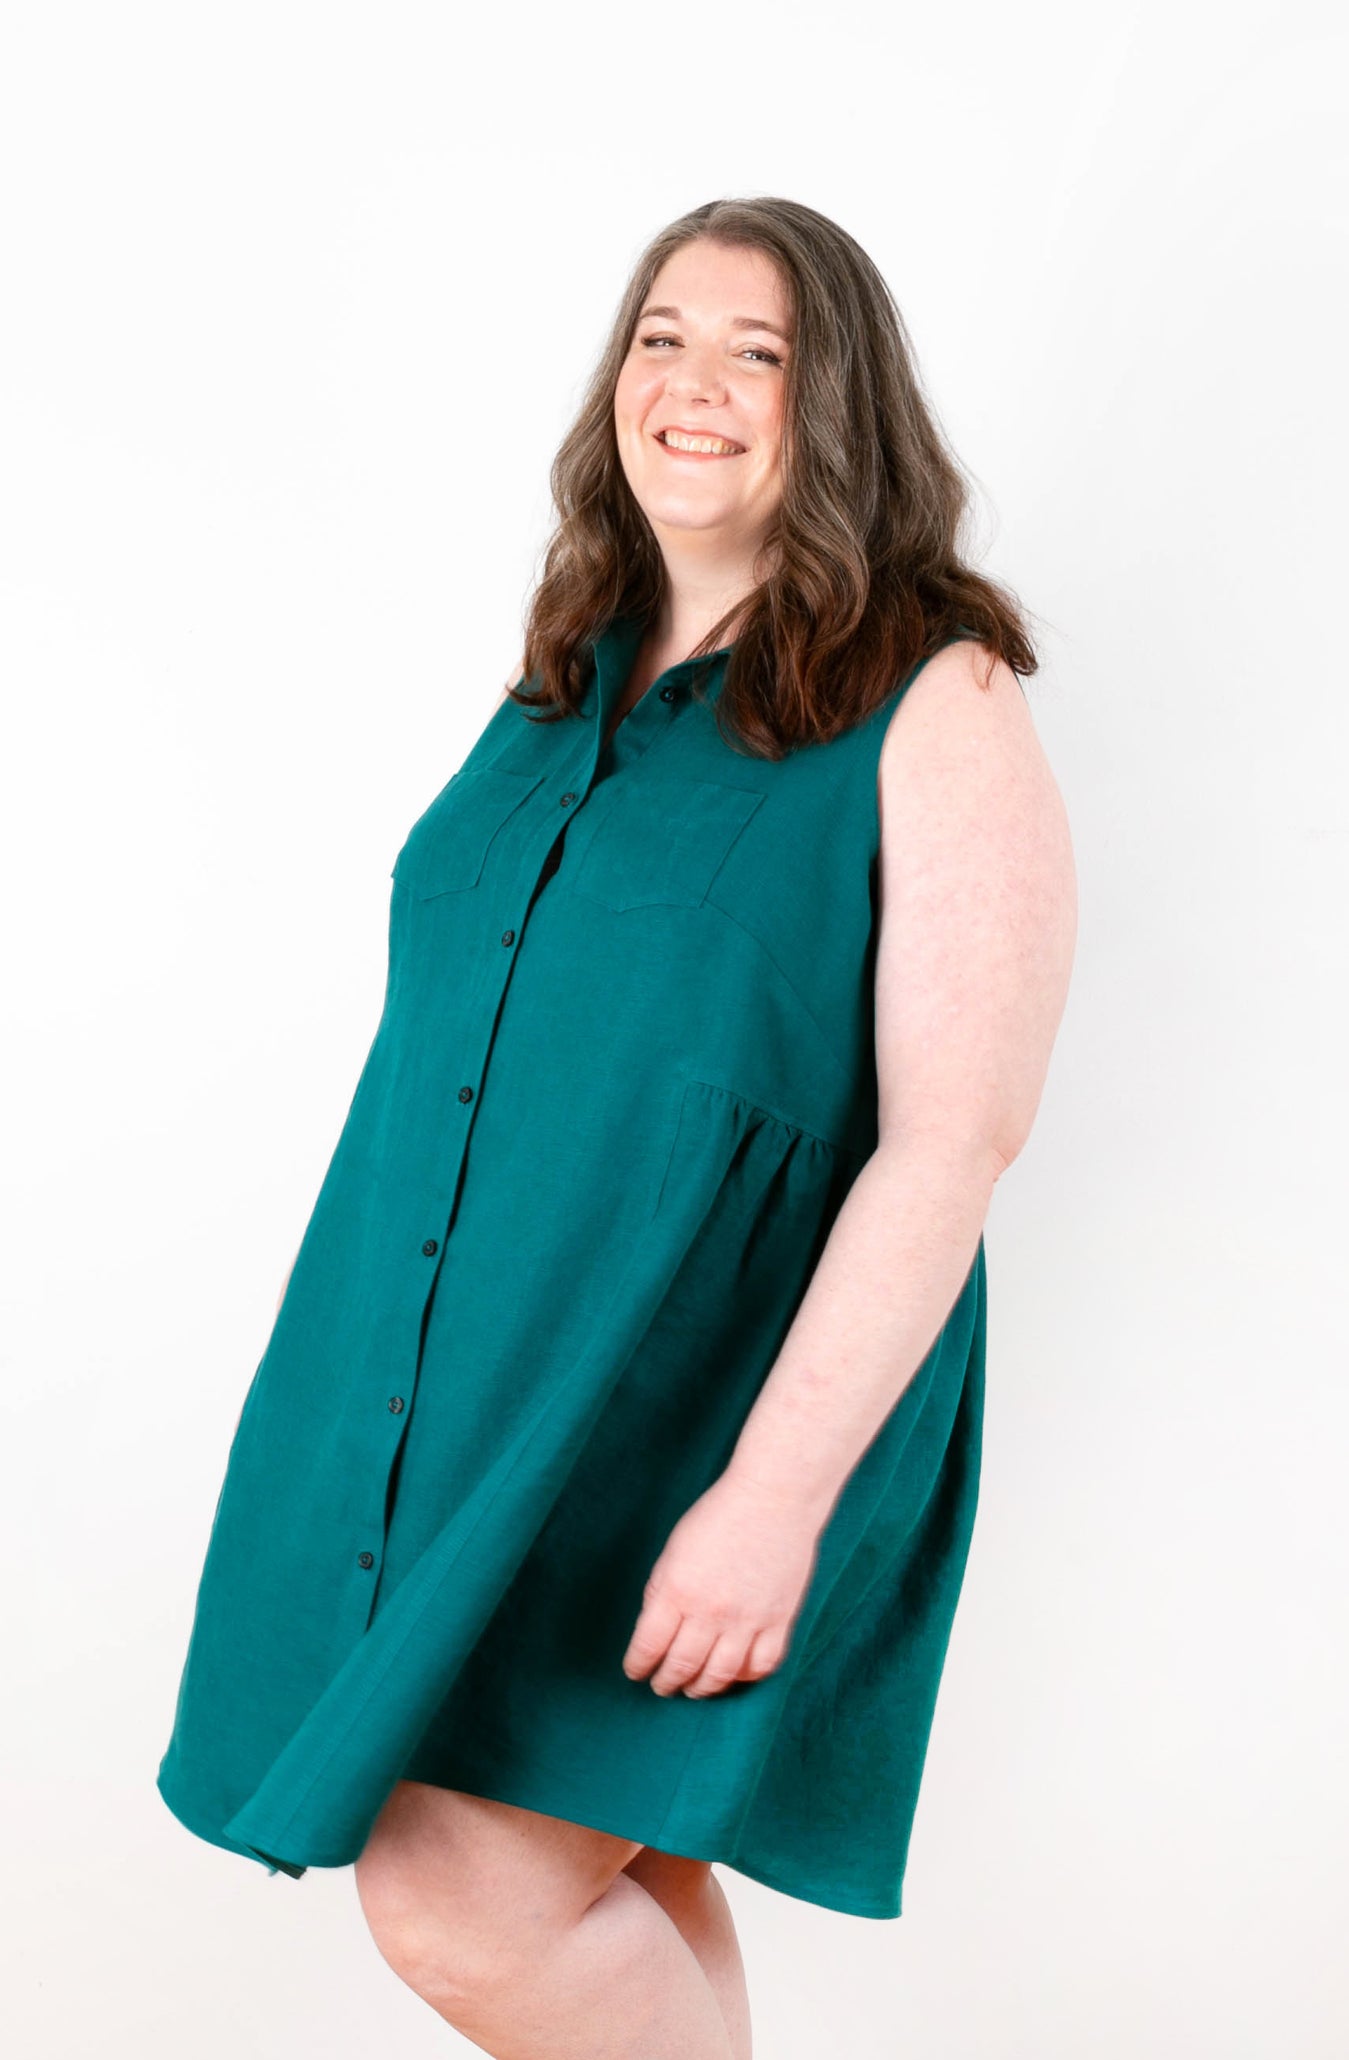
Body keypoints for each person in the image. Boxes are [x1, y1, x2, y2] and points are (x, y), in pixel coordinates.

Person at [157, 195, 1076, 2059]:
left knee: (466, 1893)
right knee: (602, 1880)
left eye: (758, 350)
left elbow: (954, 1141)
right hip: (455, 1403)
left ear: (840, 405)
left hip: (698, 1418)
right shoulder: (566, 673)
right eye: (662, 336)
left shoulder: (935, 697)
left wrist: (769, 1501)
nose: (693, 383)